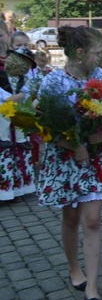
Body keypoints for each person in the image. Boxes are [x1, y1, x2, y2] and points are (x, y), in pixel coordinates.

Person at [36, 25, 102, 300]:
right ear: (80, 52)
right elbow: (43, 126)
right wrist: (73, 145)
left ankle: (93, 287)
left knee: (93, 220)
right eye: (97, 53)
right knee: (71, 217)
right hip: (66, 159)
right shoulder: (53, 82)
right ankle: (74, 268)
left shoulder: (100, 76)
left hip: (96, 157)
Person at [0, 48, 37, 201]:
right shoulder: (1, 77)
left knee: (20, 152)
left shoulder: (26, 80)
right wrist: (15, 98)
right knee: (5, 156)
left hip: (19, 120)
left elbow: (29, 94)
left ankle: (19, 189)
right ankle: (5, 192)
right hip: (4, 119)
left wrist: (23, 98)